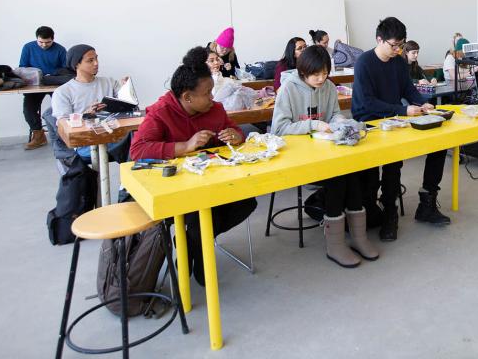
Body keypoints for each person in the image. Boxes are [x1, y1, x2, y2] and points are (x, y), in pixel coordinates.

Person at [130, 46, 257, 286]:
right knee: (201, 215)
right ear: (187, 97)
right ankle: (200, 255)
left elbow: (237, 131)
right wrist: (184, 146)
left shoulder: (215, 110)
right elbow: (138, 150)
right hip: (177, 186)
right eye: (208, 93)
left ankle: (190, 244)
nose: (212, 98)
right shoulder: (161, 112)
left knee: (247, 202)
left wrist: (235, 135)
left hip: (213, 181)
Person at [272, 45, 379, 268]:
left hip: (326, 151)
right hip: (299, 156)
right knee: (338, 178)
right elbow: (279, 129)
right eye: (316, 74)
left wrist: (340, 122)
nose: (321, 78)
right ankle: (335, 244)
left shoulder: (329, 86)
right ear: (302, 71)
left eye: (324, 73)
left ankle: (358, 238)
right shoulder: (288, 89)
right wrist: (314, 124)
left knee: (353, 171)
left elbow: (334, 115)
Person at [352, 17, 451, 242]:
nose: (398, 50)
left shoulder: (398, 62)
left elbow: (408, 89)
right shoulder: (364, 63)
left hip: (395, 119)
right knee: (385, 165)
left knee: (438, 143)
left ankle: (424, 203)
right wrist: (403, 111)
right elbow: (367, 103)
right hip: (370, 122)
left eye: (401, 45)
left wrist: (422, 102)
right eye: (394, 45)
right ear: (379, 39)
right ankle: (385, 212)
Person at [50, 44, 131, 164]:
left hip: (113, 135)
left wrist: (126, 90)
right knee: (134, 143)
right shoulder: (63, 92)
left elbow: (129, 107)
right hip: (87, 144)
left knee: (137, 139)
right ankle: (128, 180)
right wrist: (85, 115)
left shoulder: (109, 82)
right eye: (90, 60)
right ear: (76, 64)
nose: (96, 63)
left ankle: (129, 179)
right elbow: (63, 125)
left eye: (96, 58)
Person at [19, 25, 67, 150]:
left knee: (62, 107)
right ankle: (38, 135)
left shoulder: (60, 50)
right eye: (41, 42)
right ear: (37, 39)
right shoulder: (28, 47)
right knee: (28, 109)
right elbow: (22, 67)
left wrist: (53, 74)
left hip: (54, 83)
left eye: (48, 42)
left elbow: (66, 69)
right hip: (35, 84)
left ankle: (65, 134)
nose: (44, 45)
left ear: (53, 39)